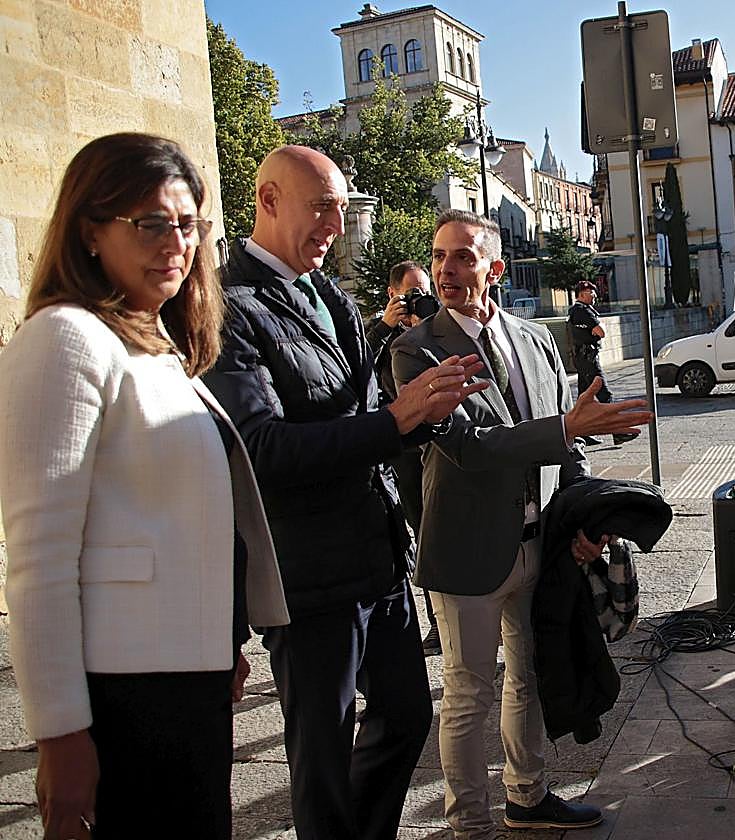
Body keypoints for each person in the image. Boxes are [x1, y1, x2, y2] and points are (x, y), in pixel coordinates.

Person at [0, 132, 289, 840]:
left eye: (189, 225)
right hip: (121, 696)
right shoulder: (67, 338)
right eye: (152, 223)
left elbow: (178, 522)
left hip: (186, 682)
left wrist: (217, 644)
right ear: (91, 231)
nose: (176, 243)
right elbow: (39, 561)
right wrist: (60, 735)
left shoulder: (155, 344)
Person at [202, 146, 487, 840]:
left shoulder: (328, 292)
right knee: (322, 761)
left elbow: (367, 420)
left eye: (340, 205)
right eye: (321, 205)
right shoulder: (226, 306)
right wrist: (398, 416)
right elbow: (264, 449)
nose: (337, 220)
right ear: (268, 201)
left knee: (408, 716)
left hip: (377, 555)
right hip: (307, 578)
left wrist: (423, 415)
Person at [392, 209, 653, 840]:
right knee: (466, 694)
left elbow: (572, 436)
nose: (447, 270)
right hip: (467, 551)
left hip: (540, 542)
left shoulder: (536, 339)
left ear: (495, 268)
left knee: (530, 676)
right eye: (439, 256)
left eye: (463, 257)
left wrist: (587, 520)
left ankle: (527, 797)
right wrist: (568, 428)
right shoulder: (416, 349)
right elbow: (468, 446)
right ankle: (470, 825)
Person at [364, 260, 442, 654]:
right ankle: (436, 621)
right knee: (422, 533)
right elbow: (355, 371)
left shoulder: (434, 327)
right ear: (392, 295)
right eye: (409, 295)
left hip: (438, 446)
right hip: (404, 454)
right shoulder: (373, 336)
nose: (417, 302)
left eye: (422, 293)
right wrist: (384, 328)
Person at [567, 280, 635, 446]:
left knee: (584, 397)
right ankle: (618, 432)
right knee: (604, 394)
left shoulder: (576, 310)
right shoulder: (583, 311)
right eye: (591, 292)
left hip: (583, 358)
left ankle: (582, 433)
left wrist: (594, 330)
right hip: (588, 359)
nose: (595, 295)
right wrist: (596, 330)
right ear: (582, 294)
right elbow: (602, 332)